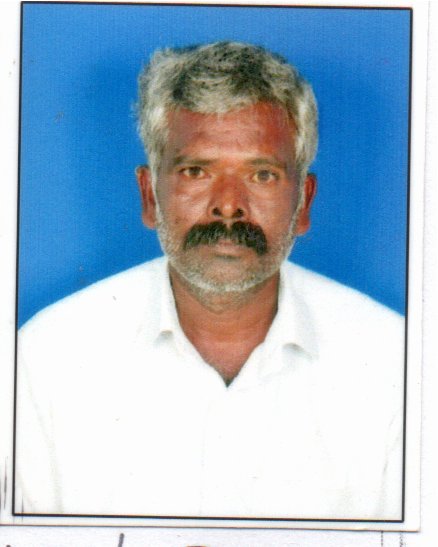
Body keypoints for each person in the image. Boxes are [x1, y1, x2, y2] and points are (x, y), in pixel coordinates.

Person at [16, 42, 404, 520]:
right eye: (196, 171)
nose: (228, 206)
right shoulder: (47, 359)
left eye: (262, 175)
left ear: (303, 203)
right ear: (150, 196)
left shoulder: (393, 363)